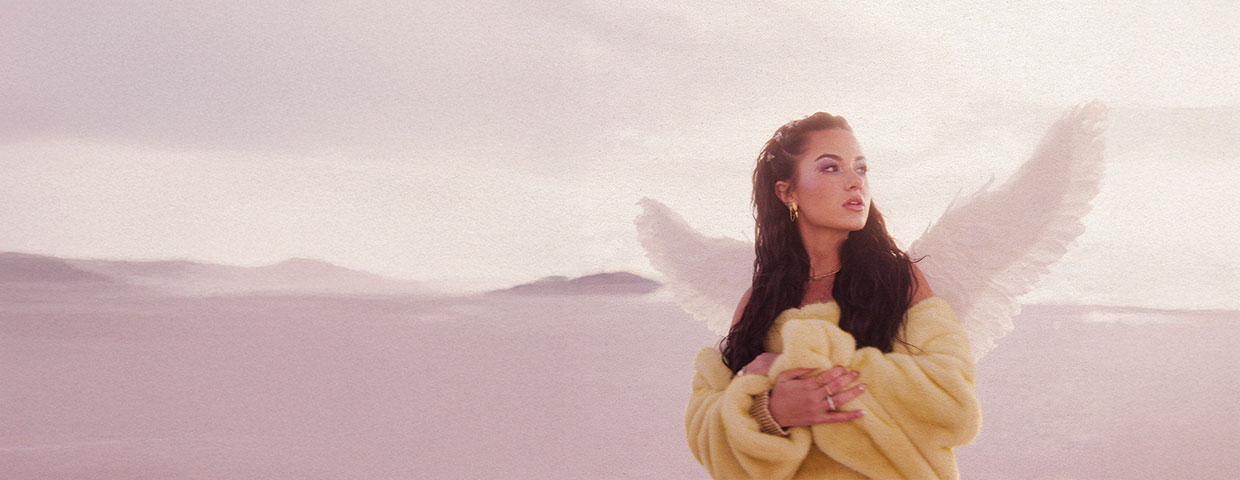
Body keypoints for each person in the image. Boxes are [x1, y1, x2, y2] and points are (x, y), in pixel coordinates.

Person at [685, 113, 981, 479]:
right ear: (787, 192)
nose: (855, 181)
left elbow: (953, 401)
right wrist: (770, 411)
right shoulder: (759, 300)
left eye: (861, 168)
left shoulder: (898, 279)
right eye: (831, 168)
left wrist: (790, 365)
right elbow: (705, 424)